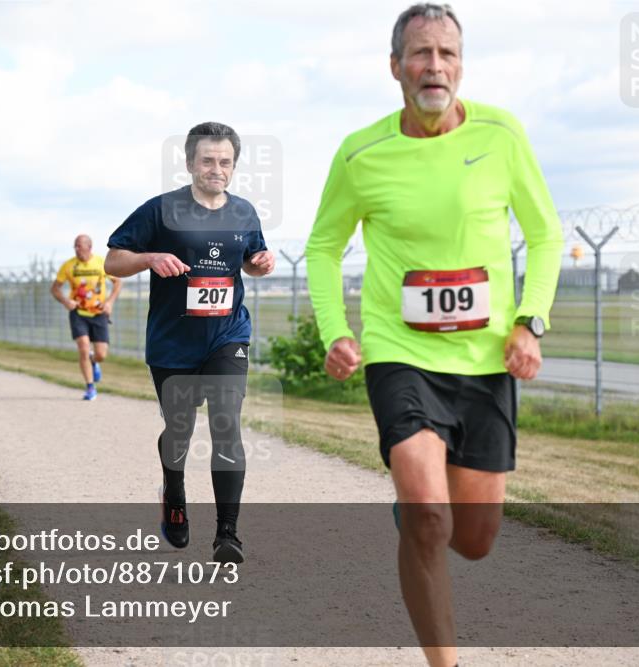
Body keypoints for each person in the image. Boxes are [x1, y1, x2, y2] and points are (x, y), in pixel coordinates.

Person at [304, 5, 564, 666]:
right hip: (400, 353)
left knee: (473, 538)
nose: (434, 67)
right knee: (428, 514)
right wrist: (338, 330)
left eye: (447, 53)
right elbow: (325, 245)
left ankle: (419, 514)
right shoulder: (361, 153)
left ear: (462, 64)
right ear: (395, 67)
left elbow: (545, 234)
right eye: (420, 53)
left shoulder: (503, 134)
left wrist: (531, 321)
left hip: (485, 360)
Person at [105, 121, 275, 564]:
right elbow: (112, 261)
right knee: (179, 431)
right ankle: (174, 489)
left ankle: (228, 535)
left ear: (234, 166)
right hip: (172, 345)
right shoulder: (160, 211)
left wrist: (260, 263)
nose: (216, 169)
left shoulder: (244, 213)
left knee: (226, 425)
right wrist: (149, 257)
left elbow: (250, 262)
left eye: (225, 162)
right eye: (207, 161)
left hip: (227, 335)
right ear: (189, 163)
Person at [51, 235, 122, 400]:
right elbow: (55, 288)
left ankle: (93, 360)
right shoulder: (68, 266)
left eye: (79, 246)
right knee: (83, 347)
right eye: (75, 246)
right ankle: (90, 387)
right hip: (78, 313)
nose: (76, 249)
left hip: (98, 313)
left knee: (101, 354)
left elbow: (117, 282)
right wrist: (65, 301)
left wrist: (109, 302)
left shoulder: (101, 263)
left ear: (89, 247)